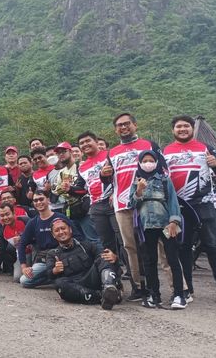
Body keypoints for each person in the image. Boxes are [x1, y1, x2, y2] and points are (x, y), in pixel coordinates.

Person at [164, 114, 216, 303]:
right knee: (183, 248)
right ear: (173, 130)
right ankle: (187, 290)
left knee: (212, 246)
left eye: (186, 126)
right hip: (178, 208)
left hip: (204, 204)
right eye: (178, 127)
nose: (182, 129)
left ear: (193, 129)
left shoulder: (206, 148)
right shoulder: (166, 151)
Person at [101, 113, 167, 302]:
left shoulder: (149, 145)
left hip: (150, 203)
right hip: (122, 204)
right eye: (119, 125)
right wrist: (103, 175)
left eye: (127, 124)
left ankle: (178, 288)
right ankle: (139, 287)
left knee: (160, 246)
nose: (123, 127)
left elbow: (164, 170)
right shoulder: (112, 152)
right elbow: (109, 180)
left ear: (135, 125)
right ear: (115, 130)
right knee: (130, 246)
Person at [128, 151, 186, 309]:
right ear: (139, 163)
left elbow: (173, 200)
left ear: (157, 162)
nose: (148, 163)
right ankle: (155, 295)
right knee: (149, 261)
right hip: (146, 226)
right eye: (144, 160)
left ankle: (180, 295)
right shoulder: (136, 182)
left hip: (166, 224)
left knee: (172, 259)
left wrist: (174, 221)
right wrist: (139, 191)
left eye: (151, 160)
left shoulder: (164, 180)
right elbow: (131, 204)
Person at [45, 217, 121, 310]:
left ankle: (109, 287)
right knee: (59, 283)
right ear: (53, 235)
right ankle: (105, 296)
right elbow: (49, 274)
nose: (61, 232)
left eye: (63, 228)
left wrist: (114, 258)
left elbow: (103, 256)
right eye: (57, 230)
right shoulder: (52, 254)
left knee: (105, 257)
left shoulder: (86, 245)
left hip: (93, 279)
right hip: (76, 286)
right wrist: (55, 270)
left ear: (70, 229)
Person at [75, 132, 124, 265]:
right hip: (96, 206)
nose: (85, 144)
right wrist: (68, 189)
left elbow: (122, 175)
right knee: (106, 242)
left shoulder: (110, 155)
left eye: (87, 141)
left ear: (96, 142)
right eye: (82, 143)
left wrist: (115, 192)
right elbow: (81, 188)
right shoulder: (82, 167)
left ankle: (135, 276)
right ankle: (113, 275)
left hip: (114, 202)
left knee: (122, 238)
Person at [18, 192, 68, 288]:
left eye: (41, 199)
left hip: (63, 256)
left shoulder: (61, 217)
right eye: (36, 200)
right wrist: (24, 267)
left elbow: (78, 237)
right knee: (24, 280)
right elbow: (22, 244)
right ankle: (53, 278)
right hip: (44, 259)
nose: (39, 202)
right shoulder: (33, 222)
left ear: (48, 200)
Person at [52, 141, 98, 246]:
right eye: (58, 153)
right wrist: (66, 190)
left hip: (85, 207)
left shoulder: (80, 166)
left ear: (71, 151)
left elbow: (86, 187)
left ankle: (102, 261)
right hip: (71, 209)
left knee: (93, 239)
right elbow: (56, 190)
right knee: (80, 241)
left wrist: (68, 189)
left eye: (64, 151)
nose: (61, 154)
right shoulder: (61, 172)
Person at [0, 203, 26, 283]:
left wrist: (23, 238)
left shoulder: (25, 220)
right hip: (22, 255)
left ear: (14, 213)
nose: (5, 218)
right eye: (2, 215)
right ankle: (13, 268)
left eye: (7, 214)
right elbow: (0, 251)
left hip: (35, 252)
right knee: (17, 279)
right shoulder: (2, 231)